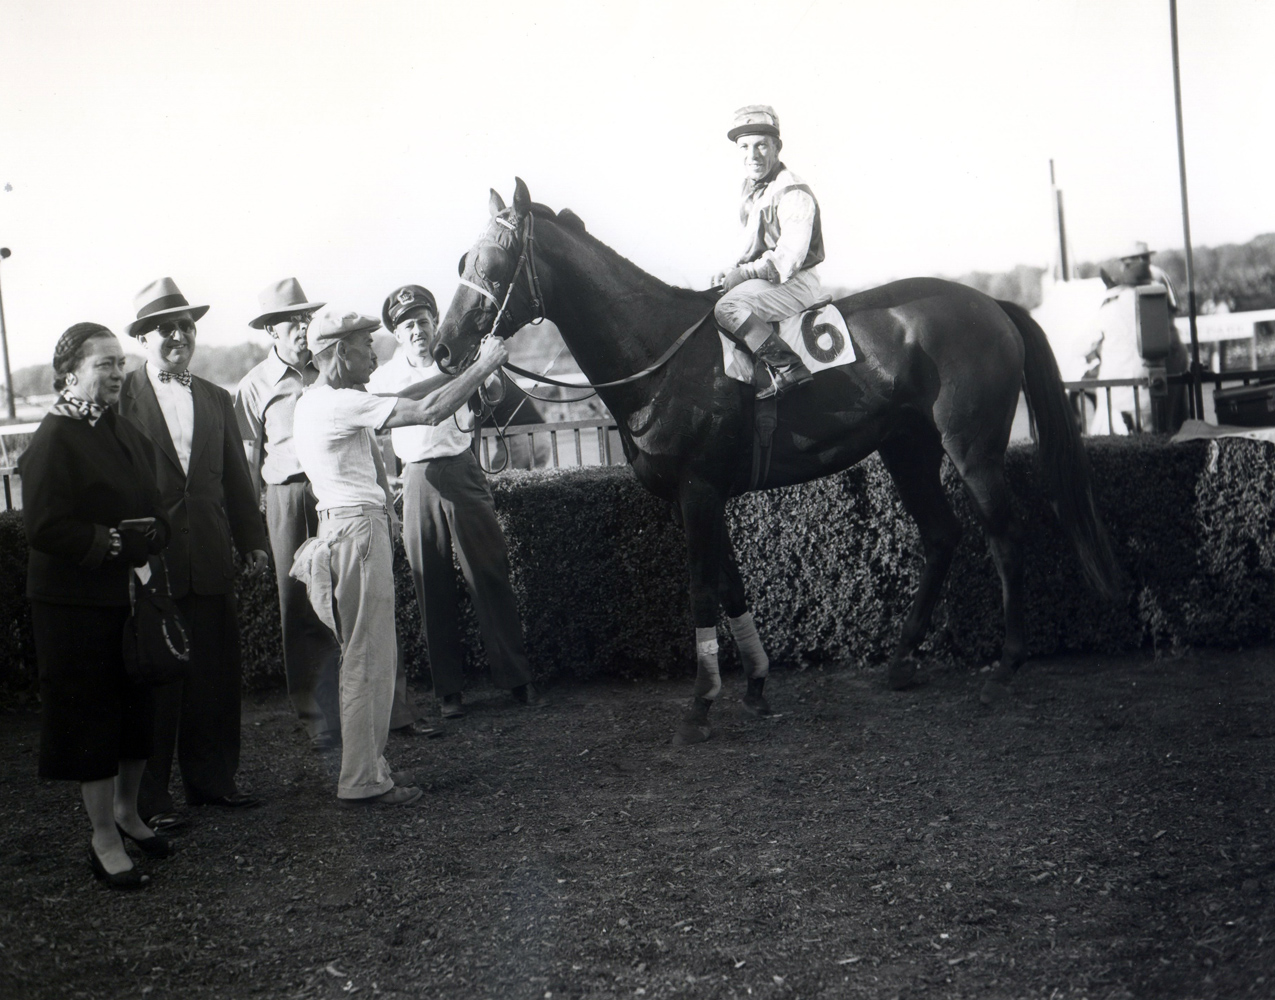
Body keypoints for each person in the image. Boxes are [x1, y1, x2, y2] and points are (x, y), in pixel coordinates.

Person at [289, 305, 508, 804]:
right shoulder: (336, 404)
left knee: (363, 658)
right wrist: (483, 367)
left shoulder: (321, 399)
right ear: (339, 352)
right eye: (365, 342)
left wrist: (452, 373)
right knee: (368, 660)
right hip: (357, 534)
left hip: (346, 532)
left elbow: (408, 396)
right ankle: (363, 781)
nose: (374, 348)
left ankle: (365, 772)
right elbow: (427, 412)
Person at [235, 279, 424, 749]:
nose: (301, 329)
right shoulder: (255, 385)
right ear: (271, 331)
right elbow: (244, 459)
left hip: (342, 496)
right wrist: (252, 527)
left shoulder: (341, 376)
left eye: (306, 319)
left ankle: (392, 713)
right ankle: (319, 718)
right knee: (301, 609)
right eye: (290, 322)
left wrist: (384, 492)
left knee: (364, 607)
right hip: (289, 495)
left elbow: (367, 442)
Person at [20, 323, 171, 889]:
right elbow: (43, 525)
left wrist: (155, 531)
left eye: (118, 363)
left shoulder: (121, 429)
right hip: (72, 604)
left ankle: (129, 814)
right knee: (93, 717)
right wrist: (111, 543)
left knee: (136, 707)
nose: (115, 373)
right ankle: (102, 838)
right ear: (71, 373)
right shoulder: (55, 436)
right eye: (103, 364)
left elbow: (153, 505)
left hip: (126, 596)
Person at [118, 278, 271, 832]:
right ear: (143, 338)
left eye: (187, 326)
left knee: (213, 676)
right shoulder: (121, 398)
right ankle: (150, 800)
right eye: (167, 328)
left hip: (209, 556)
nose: (179, 335)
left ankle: (213, 782)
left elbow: (236, 476)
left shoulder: (215, 397)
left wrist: (252, 541)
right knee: (157, 681)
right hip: (149, 566)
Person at [369, 285, 544, 720]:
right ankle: (449, 691)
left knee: (488, 574)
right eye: (408, 324)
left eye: (424, 321)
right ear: (396, 332)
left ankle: (516, 678)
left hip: (461, 469)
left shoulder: (458, 357)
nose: (418, 331)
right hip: (417, 477)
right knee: (431, 585)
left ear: (435, 323)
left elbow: (493, 398)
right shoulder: (383, 378)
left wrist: (486, 371)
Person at [710, 104, 824, 400]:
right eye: (745, 146)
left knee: (727, 308)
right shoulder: (752, 190)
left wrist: (745, 272)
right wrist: (730, 270)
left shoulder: (792, 189)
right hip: (770, 281)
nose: (753, 155)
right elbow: (748, 249)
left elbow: (789, 258)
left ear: (777, 147)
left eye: (761, 145)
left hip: (796, 282)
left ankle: (790, 368)